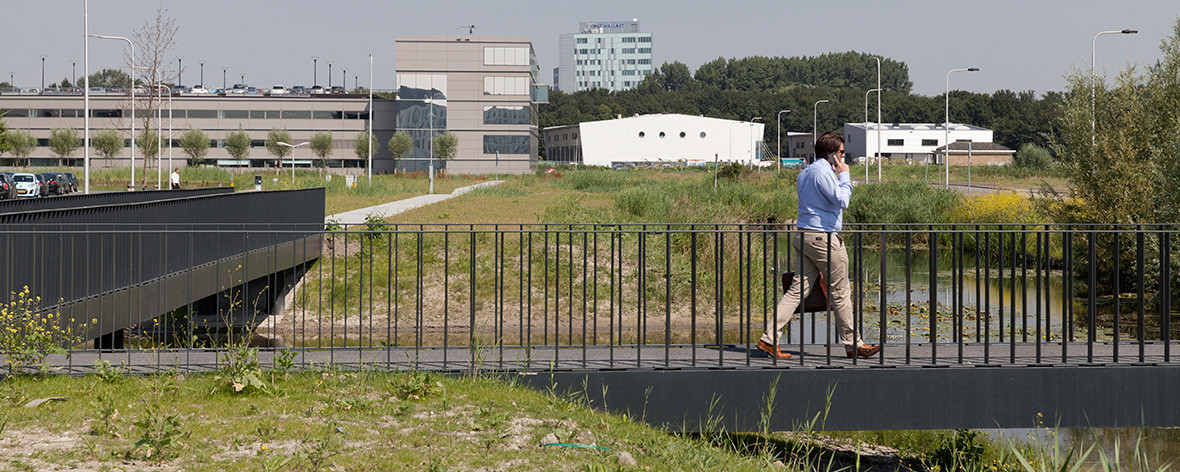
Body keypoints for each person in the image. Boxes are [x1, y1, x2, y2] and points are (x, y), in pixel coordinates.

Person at [757, 132, 881, 360]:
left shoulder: (806, 172)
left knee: (796, 291)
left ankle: (768, 339)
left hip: (804, 235)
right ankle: (854, 344)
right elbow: (842, 201)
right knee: (841, 292)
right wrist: (845, 177)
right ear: (832, 154)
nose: (845, 158)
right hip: (822, 239)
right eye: (842, 153)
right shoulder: (823, 172)